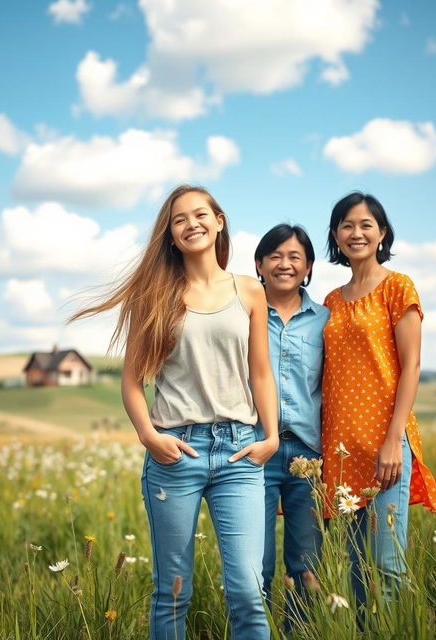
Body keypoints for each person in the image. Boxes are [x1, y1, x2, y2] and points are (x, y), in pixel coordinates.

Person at [71, 184, 278, 640]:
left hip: (240, 454)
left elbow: (260, 372)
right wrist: (149, 435)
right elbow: (131, 382)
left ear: (219, 221)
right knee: (173, 591)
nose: (192, 224)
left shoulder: (249, 291)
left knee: (247, 589)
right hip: (175, 453)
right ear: (169, 235)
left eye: (200, 214)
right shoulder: (156, 296)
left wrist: (271, 437)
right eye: (179, 219)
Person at [321, 192, 436, 608]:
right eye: (347, 225)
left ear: (382, 233)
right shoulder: (331, 301)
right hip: (340, 449)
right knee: (354, 571)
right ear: (335, 235)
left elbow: (412, 365)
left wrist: (393, 441)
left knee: (387, 566)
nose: (356, 233)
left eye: (365, 225)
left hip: (384, 445)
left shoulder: (397, 286)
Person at [253, 224, 329, 628]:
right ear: (259, 264)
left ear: (309, 267)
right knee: (254, 567)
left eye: (295, 257)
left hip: (307, 454)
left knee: (306, 565)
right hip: (253, 450)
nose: (285, 264)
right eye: (275, 256)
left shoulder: (325, 320)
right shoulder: (242, 313)